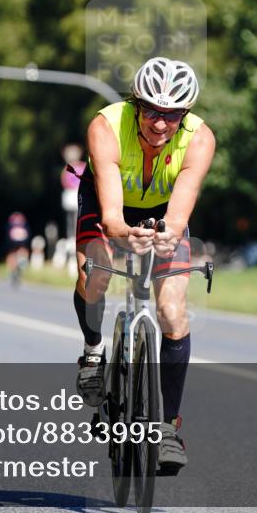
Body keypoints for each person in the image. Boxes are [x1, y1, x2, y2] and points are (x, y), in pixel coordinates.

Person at [73, 56, 215, 474]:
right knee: (94, 275)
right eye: (152, 111)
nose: (160, 124)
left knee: (172, 311)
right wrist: (118, 232)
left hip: (162, 210)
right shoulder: (106, 126)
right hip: (107, 198)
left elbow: (182, 206)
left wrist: (170, 233)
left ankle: (168, 426)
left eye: (172, 115)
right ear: (136, 104)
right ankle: (93, 353)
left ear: (184, 115)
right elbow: (112, 212)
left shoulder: (200, 139)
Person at [5, 211, 31, 278]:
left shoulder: (14, 224)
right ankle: (14, 269)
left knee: (21, 252)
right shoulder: (18, 224)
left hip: (19, 242)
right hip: (16, 242)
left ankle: (19, 267)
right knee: (14, 254)